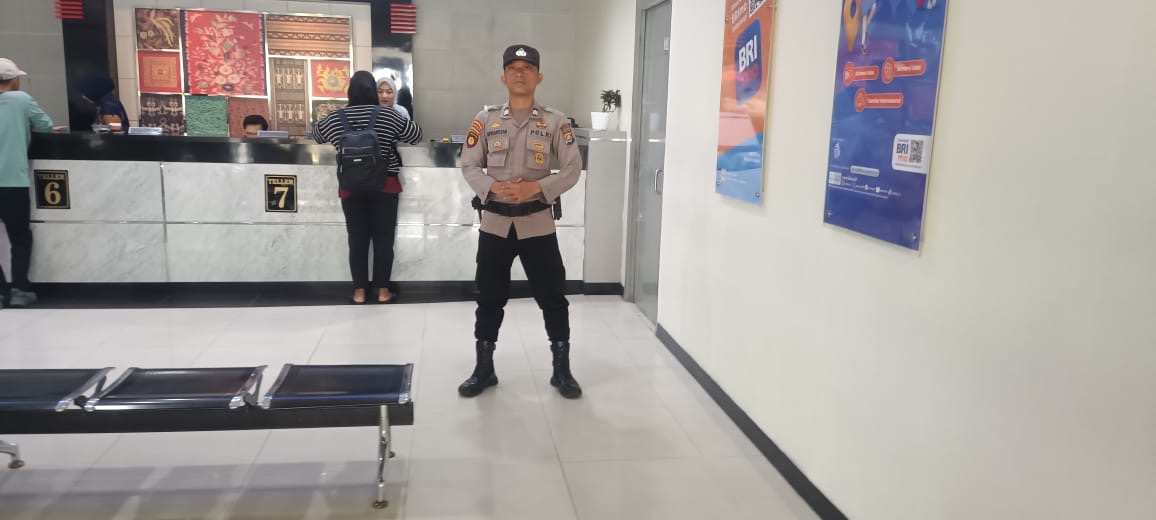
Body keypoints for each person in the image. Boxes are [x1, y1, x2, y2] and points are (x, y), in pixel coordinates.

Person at [458, 45, 584, 399]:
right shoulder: (485, 120)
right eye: (512, 67)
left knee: (553, 297)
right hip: (495, 224)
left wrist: (537, 188)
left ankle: (562, 371)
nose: (519, 73)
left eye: (527, 68)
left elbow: (573, 168)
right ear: (503, 77)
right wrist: (492, 187)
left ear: (538, 77)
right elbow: (468, 163)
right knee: (489, 297)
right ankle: (484, 369)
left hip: (537, 224)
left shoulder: (556, 122)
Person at [311, 71, 421, 304]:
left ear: (350, 91)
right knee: (384, 240)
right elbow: (415, 135)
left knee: (357, 240)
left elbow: (316, 135)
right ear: (373, 91)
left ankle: (359, 293)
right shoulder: (388, 115)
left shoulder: (335, 117)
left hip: (351, 187)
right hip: (385, 185)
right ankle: (383, 292)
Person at [0, 58, 55, 308]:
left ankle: (1, 291)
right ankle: (19, 289)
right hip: (13, 181)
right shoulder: (21, 100)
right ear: (13, 80)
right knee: (19, 237)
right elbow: (45, 125)